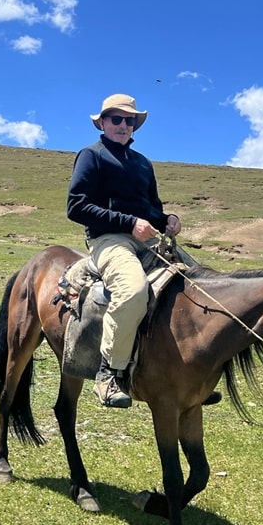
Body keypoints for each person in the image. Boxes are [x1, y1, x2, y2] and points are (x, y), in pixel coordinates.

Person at [66, 93, 179, 408]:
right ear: (102, 122)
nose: (123, 125)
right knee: (132, 291)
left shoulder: (143, 163)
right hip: (108, 240)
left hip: (148, 239)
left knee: (197, 285)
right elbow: (76, 206)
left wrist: (167, 219)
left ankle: (184, 370)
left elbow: (152, 210)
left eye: (129, 120)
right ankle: (109, 374)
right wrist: (129, 223)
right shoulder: (91, 155)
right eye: (116, 119)